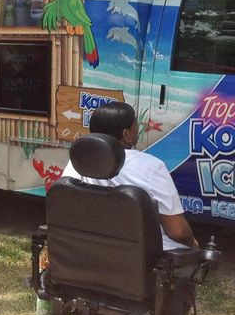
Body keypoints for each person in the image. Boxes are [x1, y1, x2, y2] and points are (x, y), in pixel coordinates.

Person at [61, 102, 198, 250]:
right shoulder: (152, 166)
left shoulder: (78, 161)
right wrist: (194, 245)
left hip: (89, 251)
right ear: (126, 135)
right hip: (145, 256)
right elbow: (178, 231)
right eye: (135, 125)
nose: (138, 129)